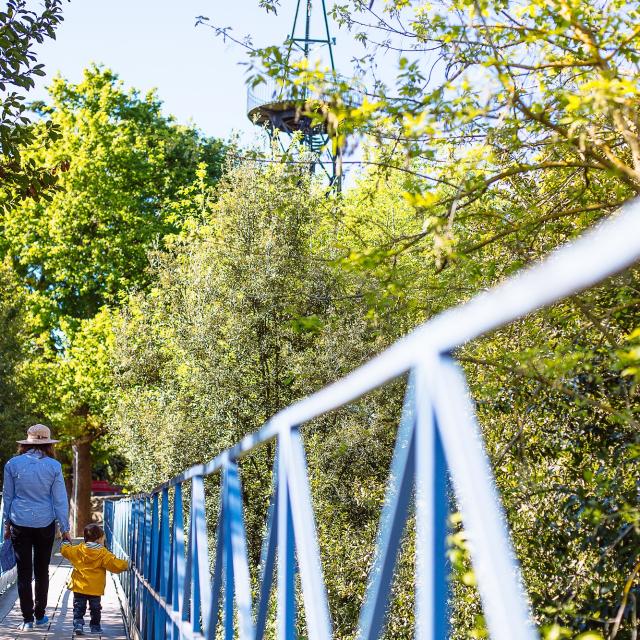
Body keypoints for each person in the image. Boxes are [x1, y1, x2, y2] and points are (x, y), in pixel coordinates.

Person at [2, 424, 71, 631]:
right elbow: (60, 500)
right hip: (45, 523)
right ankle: (40, 616)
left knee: (23, 572)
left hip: (19, 522)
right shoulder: (54, 466)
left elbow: (8, 497)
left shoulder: (12, 464)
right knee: (42, 571)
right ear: (49, 444)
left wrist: (7, 524)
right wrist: (65, 528)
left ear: (26, 443)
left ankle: (27, 620)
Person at [61, 523, 129, 635]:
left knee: (78, 607)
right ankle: (95, 627)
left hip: (79, 587)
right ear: (98, 540)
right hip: (95, 588)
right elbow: (114, 564)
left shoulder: (78, 550)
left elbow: (66, 551)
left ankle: (78, 624)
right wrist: (126, 565)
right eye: (103, 539)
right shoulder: (103, 553)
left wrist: (65, 542)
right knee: (95, 608)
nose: (104, 541)